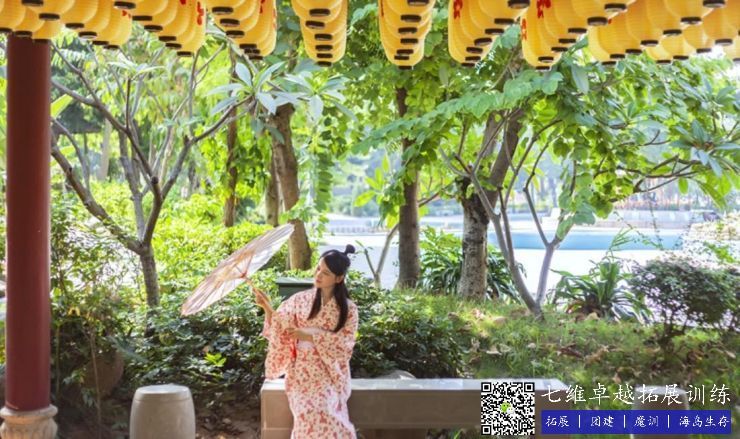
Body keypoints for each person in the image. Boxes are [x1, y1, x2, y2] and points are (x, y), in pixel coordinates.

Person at [254, 245, 359, 438]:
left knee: (329, 412)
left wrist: (310, 336)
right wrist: (266, 306)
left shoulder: (349, 309)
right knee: (308, 413)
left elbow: (345, 344)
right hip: (301, 371)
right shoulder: (299, 300)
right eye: (318, 268)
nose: (318, 275)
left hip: (330, 372)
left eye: (325, 273)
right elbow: (281, 325)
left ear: (339, 278)